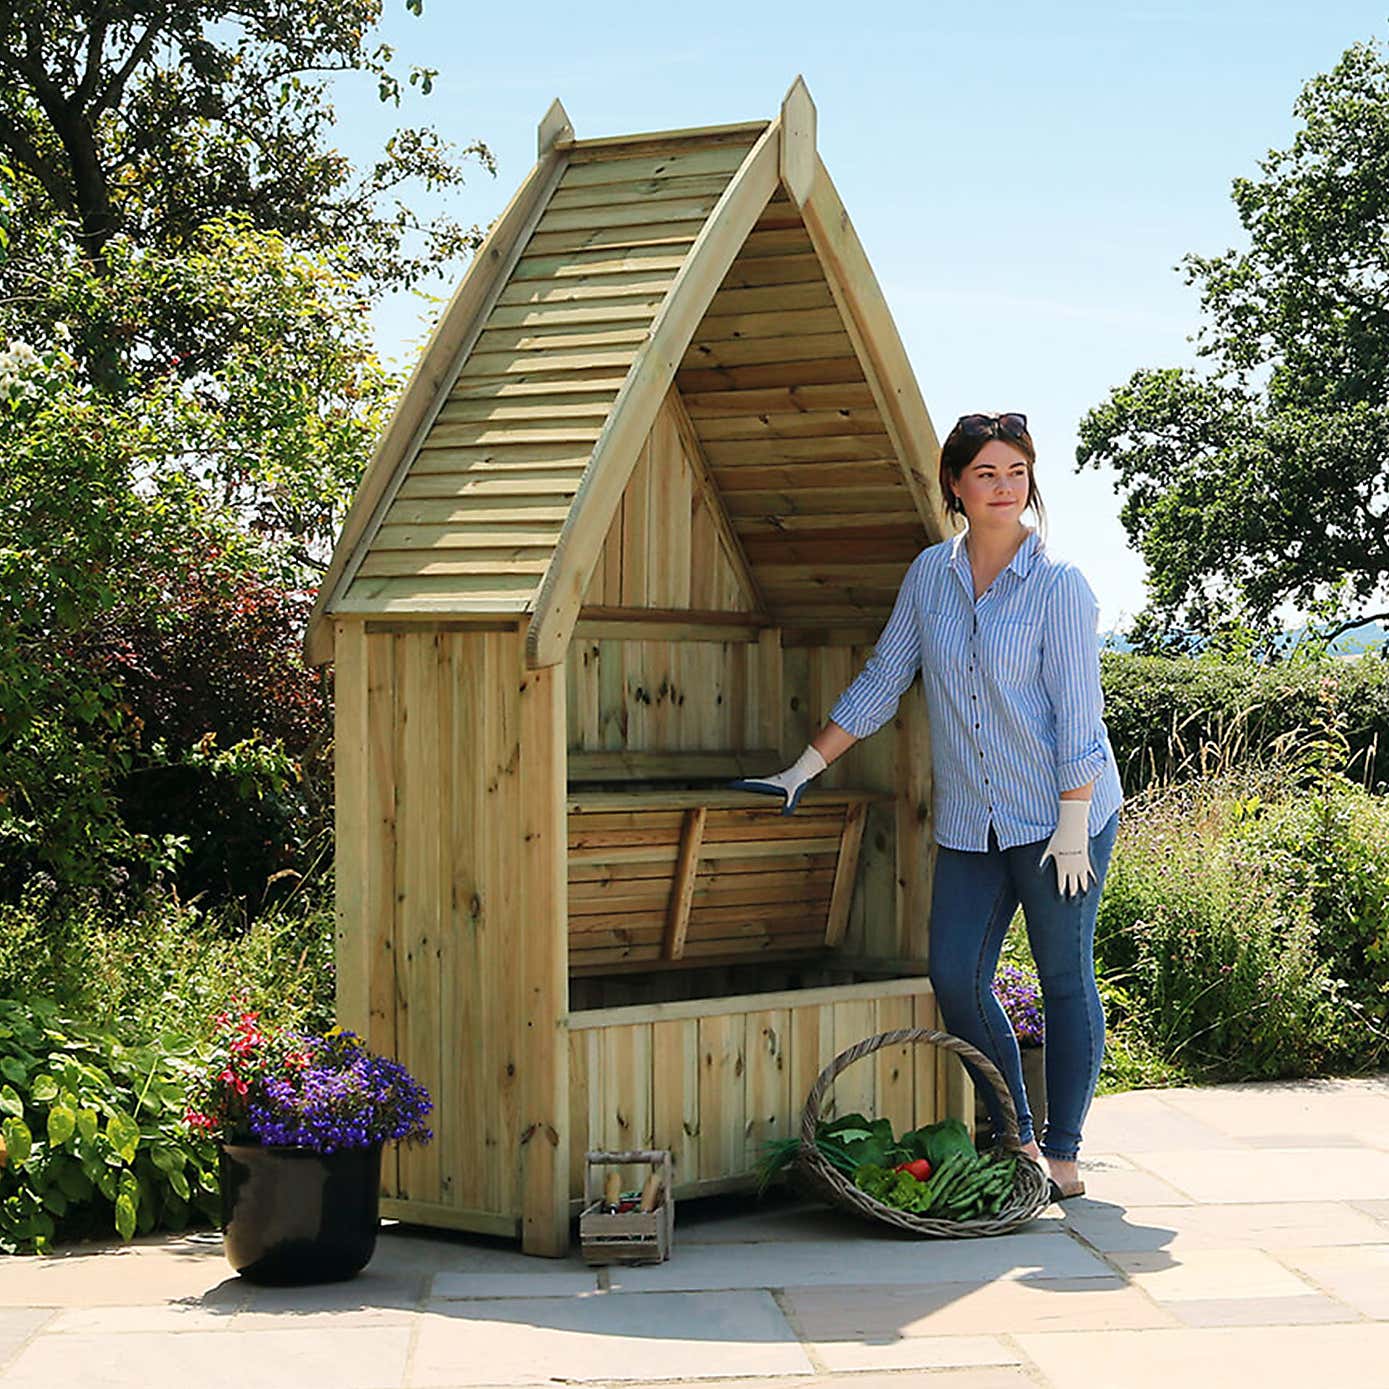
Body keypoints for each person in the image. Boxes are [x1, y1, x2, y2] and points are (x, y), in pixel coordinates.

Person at [731, 411, 1123, 1203]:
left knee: (1062, 977)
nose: (1004, 488)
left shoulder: (1058, 584)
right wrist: (804, 766)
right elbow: (884, 679)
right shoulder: (929, 576)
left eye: (1015, 472)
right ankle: (1012, 1134)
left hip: (1061, 816)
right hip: (973, 819)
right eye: (986, 473)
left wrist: (1076, 827)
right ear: (955, 484)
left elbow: (1079, 719)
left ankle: (1065, 1153)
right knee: (953, 972)